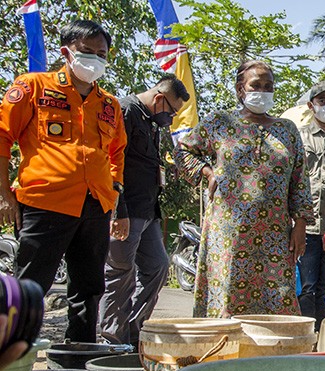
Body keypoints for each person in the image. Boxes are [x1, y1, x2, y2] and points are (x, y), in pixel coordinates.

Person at [0, 20, 126, 342]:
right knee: (29, 290)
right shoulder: (33, 87)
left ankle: (78, 366)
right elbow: (2, 136)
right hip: (44, 203)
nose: (95, 59)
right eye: (87, 51)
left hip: (95, 206)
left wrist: (114, 195)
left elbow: (117, 154)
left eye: (101, 53)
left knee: (89, 289)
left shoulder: (110, 105)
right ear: (66, 52)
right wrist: (2, 192)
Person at [173, 60, 314, 318]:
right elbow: (183, 150)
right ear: (241, 89)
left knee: (278, 300)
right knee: (226, 298)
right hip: (227, 234)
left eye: (268, 86)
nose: (263, 90)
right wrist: (208, 172)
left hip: (274, 235)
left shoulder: (287, 130)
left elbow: (299, 181)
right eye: (256, 85)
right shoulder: (219, 122)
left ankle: (270, 356)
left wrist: (301, 226)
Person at [98, 75, 190, 346]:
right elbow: (111, 162)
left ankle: (133, 331)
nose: (171, 118)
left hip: (148, 210)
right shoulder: (125, 110)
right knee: (120, 272)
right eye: (171, 111)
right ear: (159, 98)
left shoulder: (152, 122)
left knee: (158, 267)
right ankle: (112, 340)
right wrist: (118, 210)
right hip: (127, 209)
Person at [298, 81, 325, 331]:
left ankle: (324, 336)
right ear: (311, 105)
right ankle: (306, 335)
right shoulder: (299, 135)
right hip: (306, 224)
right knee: (307, 285)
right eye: (323, 101)